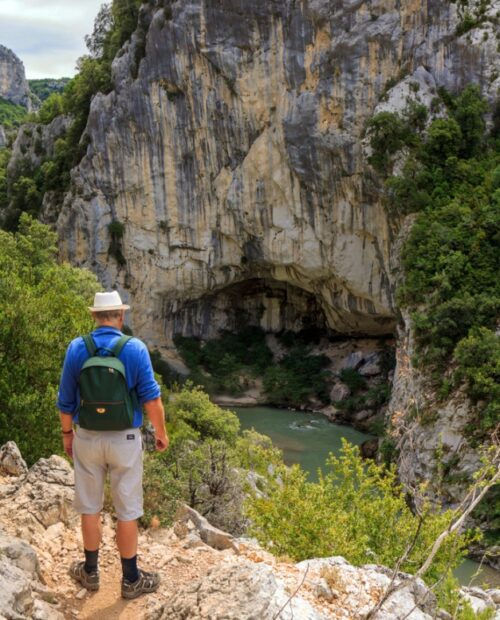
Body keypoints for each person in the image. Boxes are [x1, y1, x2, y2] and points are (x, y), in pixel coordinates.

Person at [57, 290, 169, 599]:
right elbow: (152, 399)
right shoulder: (134, 348)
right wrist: (161, 433)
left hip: (87, 437)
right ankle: (131, 579)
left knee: (90, 507)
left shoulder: (77, 348)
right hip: (125, 439)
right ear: (120, 316)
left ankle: (90, 573)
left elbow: (65, 401)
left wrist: (68, 435)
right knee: (127, 511)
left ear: (94, 316)